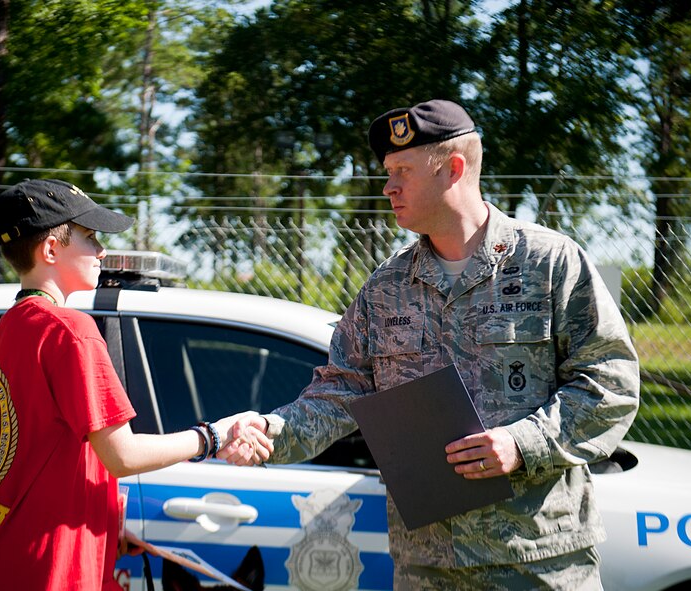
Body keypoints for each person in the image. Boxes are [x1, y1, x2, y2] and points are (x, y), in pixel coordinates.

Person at [220, 99, 640, 590]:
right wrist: (268, 432)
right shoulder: (386, 286)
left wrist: (522, 443)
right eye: (387, 171)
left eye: (402, 170)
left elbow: (610, 384)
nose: (388, 185)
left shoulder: (549, 263)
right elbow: (340, 395)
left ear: (453, 170)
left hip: (538, 559)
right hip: (428, 566)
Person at [0, 178, 270, 590]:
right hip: (55, 572)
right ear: (51, 250)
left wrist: (101, 526)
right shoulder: (70, 330)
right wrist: (212, 438)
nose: (101, 251)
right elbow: (122, 455)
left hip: (7, 563)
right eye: (90, 237)